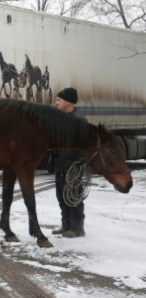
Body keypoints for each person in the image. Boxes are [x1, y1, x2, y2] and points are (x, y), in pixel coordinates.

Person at [50, 87, 88, 238]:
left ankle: (78, 228)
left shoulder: (79, 119)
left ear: (68, 102)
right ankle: (66, 225)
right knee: (61, 196)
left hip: (72, 165)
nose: (56, 102)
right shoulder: (60, 118)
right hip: (60, 164)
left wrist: (81, 161)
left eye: (59, 100)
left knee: (73, 197)